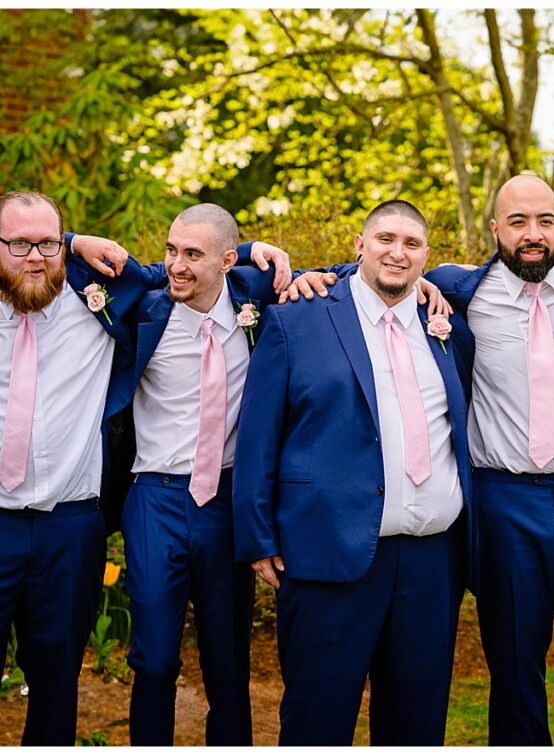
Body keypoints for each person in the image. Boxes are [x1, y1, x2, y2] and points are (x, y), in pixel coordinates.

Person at [232, 200, 474, 745]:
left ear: (426, 258)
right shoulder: (298, 317)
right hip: (328, 553)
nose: (398, 252)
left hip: (432, 562)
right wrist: (257, 535)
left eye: (412, 244)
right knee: (318, 721)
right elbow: (257, 434)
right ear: (359, 245)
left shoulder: (447, 329)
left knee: (416, 725)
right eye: (385, 238)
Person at [424, 174, 554, 746]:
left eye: (544, 220)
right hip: (504, 500)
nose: (533, 234)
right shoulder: (458, 292)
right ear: (495, 229)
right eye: (518, 222)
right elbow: (378, 272)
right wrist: (314, 275)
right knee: (514, 656)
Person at [0, 191, 146, 746]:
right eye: (18, 245)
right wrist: (73, 239)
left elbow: (191, 270)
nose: (36, 258)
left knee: (57, 679)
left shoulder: (102, 300)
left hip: (71, 528)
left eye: (49, 244)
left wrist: (252, 250)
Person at [109, 204, 281, 745]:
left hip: (228, 502)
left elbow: (347, 277)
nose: (177, 265)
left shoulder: (259, 309)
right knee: (155, 659)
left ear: (228, 261)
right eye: (171, 250)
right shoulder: (145, 311)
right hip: (154, 500)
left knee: (228, 664)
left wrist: (430, 289)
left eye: (193, 255)